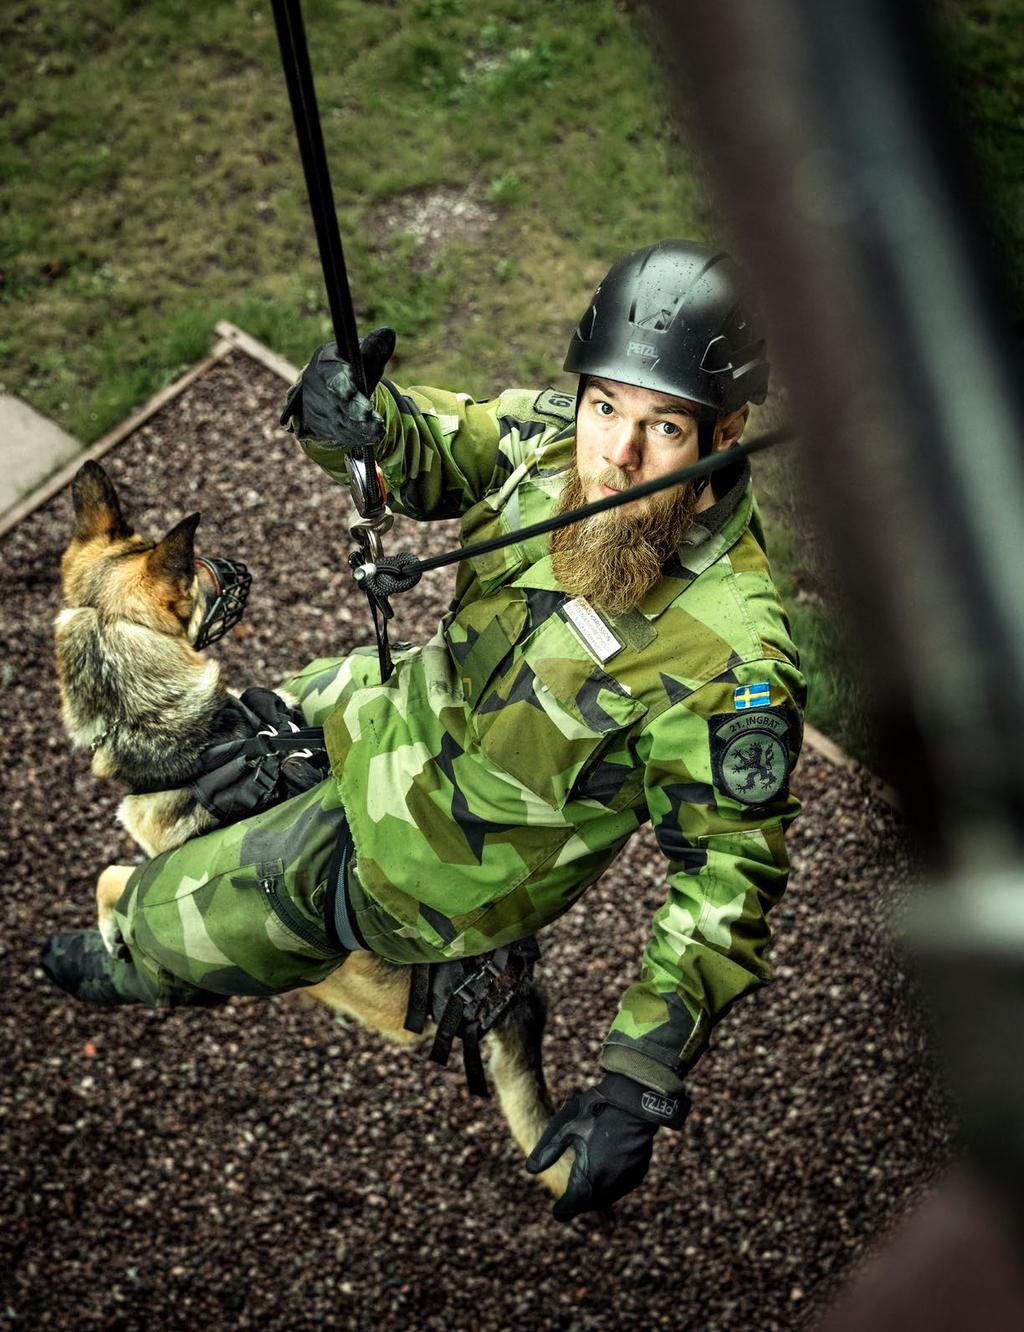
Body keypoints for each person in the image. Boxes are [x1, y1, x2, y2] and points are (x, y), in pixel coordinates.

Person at [43, 240, 805, 1220]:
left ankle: (146, 959)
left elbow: (727, 882)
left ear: (726, 435)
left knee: (187, 915)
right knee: (207, 762)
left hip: (435, 861)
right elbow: (436, 446)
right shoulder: (547, 443)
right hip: (374, 707)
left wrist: (636, 1082)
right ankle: (292, 808)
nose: (614, 453)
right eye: (604, 407)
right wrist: (352, 419)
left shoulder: (731, 658)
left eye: (661, 428)